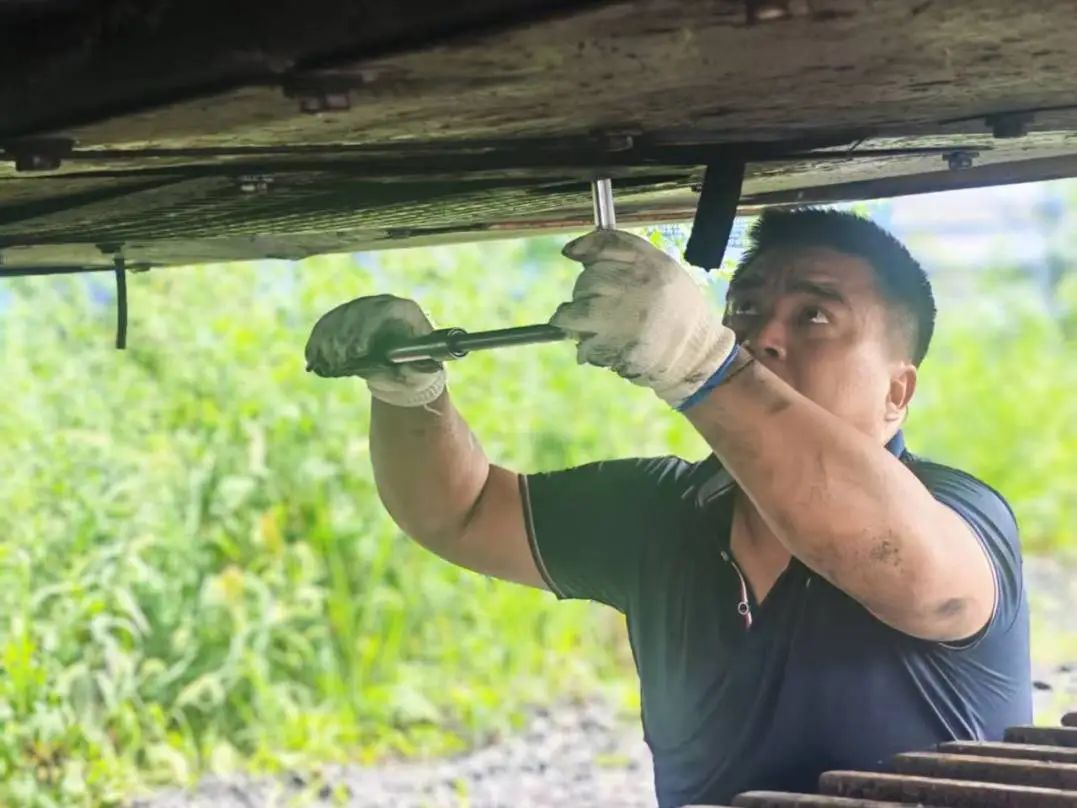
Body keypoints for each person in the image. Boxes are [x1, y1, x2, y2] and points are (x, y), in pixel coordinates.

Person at [304, 208, 1031, 807]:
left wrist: (701, 363)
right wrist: (410, 393)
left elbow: (904, 567)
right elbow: (461, 513)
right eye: (743, 310)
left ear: (897, 393)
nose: (761, 338)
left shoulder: (956, 513)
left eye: (813, 317)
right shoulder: (663, 512)